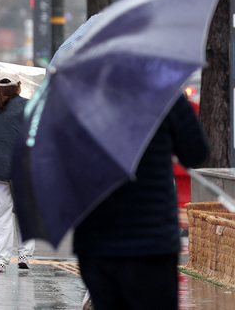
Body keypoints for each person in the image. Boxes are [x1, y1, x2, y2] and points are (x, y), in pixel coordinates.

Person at [73, 94, 210, 310]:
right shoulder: (163, 92)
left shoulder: (82, 97)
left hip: (96, 240)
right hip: (151, 243)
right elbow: (195, 153)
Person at [0, 72, 35, 273]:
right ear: (18, 86)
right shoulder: (28, 106)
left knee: (0, 214)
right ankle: (24, 254)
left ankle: (1, 260)